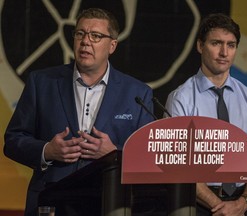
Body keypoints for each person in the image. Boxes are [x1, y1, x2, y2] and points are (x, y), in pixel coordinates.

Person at [4, 8, 154, 216]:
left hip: (110, 203)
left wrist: (114, 154)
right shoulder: (41, 82)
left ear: (112, 45)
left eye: (96, 36)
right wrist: (47, 150)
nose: (85, 41)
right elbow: (13, 140)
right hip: (51, 202)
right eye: (80, 33)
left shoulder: (137, 93)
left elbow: (149, 155)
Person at [165, 13, 247, 216]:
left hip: (244, 205)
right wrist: (220, 207)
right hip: (199, 206)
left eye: (231, 45)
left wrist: (243, 203)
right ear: (199, 46)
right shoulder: (181, 98)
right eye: (216, 43)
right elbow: (179, 165)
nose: (224, 52)